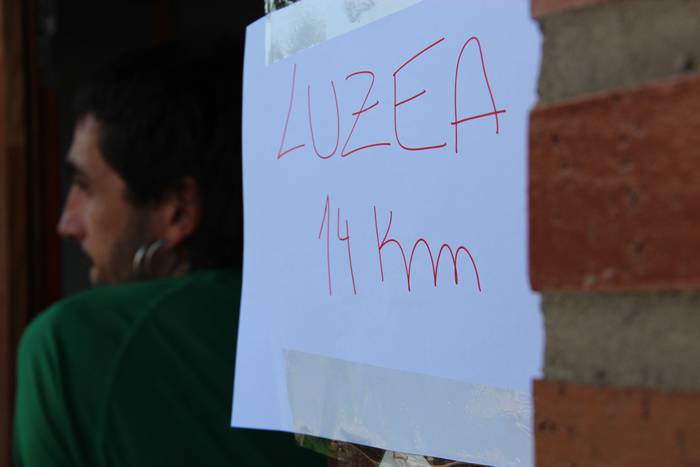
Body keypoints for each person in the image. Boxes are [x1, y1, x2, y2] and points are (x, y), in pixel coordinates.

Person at [13, 36, 327, 467]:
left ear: (177, 210)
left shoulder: (72, 345)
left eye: (85, 186)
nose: (66, 223)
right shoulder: (339, 325)